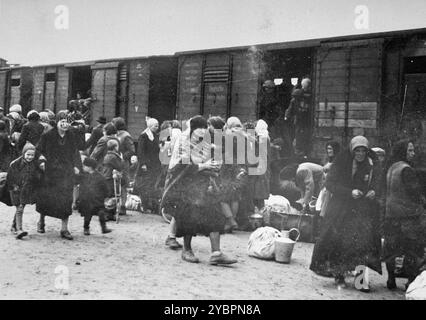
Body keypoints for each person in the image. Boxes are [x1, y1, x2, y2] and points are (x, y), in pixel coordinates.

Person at [310, 136, 382, 292]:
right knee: (339, 242)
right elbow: (329, 184)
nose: (361, 154)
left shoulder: (371, 163)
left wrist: (373, 191)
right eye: (358, 151)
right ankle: (339, 276)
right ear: (352, 150)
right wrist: (349, 192)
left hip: (362, 210)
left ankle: (361, 280)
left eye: (364, 151)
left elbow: (379, 182)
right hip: (341, 209)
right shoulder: (342, 162)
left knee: (363, 244)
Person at [162, 115, 237, 265]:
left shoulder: (205, 143)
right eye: (199, 129)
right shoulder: (184, 142)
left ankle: (216, 253)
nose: (202, 131)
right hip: (187, 187)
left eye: (204, 128)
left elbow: (208, 159)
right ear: (193, 129)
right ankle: (187, 250)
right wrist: (204, 166)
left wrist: (214, 166)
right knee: (189, 217)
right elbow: (182, 167)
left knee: (215, 215)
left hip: (204, 185)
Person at [383, 140, 426, 290]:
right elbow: (415, 193)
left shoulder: (392, 168)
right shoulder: (407, 169)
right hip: (408, 217)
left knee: (392, 249)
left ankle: (391, 279)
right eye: (410, 151)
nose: (413, 154)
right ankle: (411, 281)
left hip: (391, 215)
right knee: (413, 250)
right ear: (403, 151)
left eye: (413, 150)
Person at [36, 110, 83, 240]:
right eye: (62, 122)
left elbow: (75, 152)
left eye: (67, 122)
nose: (65, 125)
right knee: (46, 198)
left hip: (66, 173)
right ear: (57, 122)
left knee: (66, 200)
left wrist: (77, 166)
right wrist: (41, 162)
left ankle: (64, 229)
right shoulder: (47, 136)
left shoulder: (71, 136)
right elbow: (38, 150)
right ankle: (41, 221)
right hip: (50, 172)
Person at [7, 143, 45, 239]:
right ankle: (19, 229)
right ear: (23, 153)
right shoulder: (15, 164)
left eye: (32, 155)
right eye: (28, 154)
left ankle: (14, 226)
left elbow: (37, 176)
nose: (30, 157)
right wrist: (14, 187)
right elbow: (10, 178)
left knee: (21, 207)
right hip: (16, 189)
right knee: (19, 208)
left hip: (26, 190)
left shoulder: (34, 164)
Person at [76, 157, 112, 235]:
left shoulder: (100, 177)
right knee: (87, 216)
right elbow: (77, 179)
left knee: (101, 213)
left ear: (90, 167)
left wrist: (105, 196)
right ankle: (86, 228)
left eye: (84, 166)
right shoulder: (84, 175)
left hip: (97, 200)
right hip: (87, 201)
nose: (83, 167)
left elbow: (105, 188)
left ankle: (104, 228)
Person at [135, 117, 161, 213]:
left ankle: (150, 206)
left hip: (154, 164)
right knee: (145, 185)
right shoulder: (144, 136)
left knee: (152, 185)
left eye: (158, 125)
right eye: (155, 125)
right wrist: (143, 164)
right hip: (147, 165)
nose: (157, 127)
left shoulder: (155, 135)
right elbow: (140, 151)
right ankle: (144, 205)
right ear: (149, 126)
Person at [112, 117, 135, 215]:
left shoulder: (126, 136)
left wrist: (123, 156)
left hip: (122, 163)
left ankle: (122, 206)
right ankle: (115, 205)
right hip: (114, 162)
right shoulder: (115, 134)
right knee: (115, 184)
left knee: (123, 184)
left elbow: (132, 150)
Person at [285, 78, 313, 158]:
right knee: (299, 135)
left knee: (301, 136)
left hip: (303, 120)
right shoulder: (298, 97)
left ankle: (301, 152)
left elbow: (290, 109)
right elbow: (290, 109)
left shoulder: (305, 97)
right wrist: (287, 116)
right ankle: (299, 152)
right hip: (300, 120)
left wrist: (287, 116)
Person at [102, 139, 126, 220]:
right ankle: (107, 214)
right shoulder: (114, 157)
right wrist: (122, 159)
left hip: (106, 176)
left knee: (110, 195)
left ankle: (110, 214)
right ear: (115, 147)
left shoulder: (107, 155)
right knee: (112, 195)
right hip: (110, 178)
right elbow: (120, 166)